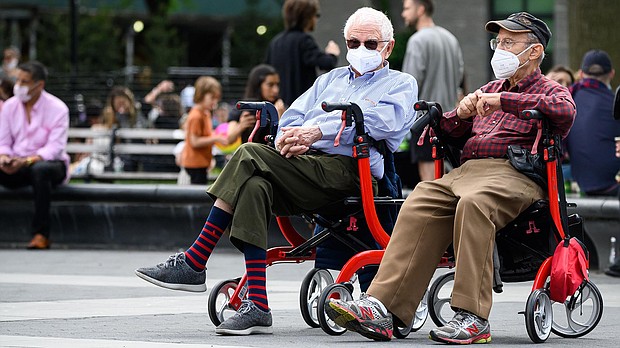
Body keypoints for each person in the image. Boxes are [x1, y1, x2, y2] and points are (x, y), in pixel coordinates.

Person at [135, 7, 417, 336]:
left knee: (248, 153)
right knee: (254, 186)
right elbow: (293, 117)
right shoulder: (330, 79)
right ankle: (258, 305)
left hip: (353, 169)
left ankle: (196, 259)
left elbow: (384, 123)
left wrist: (316, 132)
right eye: (353, 43)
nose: (360, 50)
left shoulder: (401, 84)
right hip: (308, 165)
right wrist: (292, 138)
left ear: (388, 47)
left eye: (370, 44)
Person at [326, 12, 575, 344]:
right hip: (469, 170)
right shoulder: (486, 89)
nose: (499, 49)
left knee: (475, 203)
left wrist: (504, 101)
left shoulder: (549, 89)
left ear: (534, 51)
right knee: (421, 198)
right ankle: (383, 307)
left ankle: (473, 317)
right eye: (497, 42)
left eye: (508, 42)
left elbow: (564, 112)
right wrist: (458, 114)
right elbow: (444, 130)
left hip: (516, 173)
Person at [0, 61, 70, 249]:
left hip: (50, 165)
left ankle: (41, 235)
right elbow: (4, 142)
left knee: (40, 171)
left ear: (39, 85)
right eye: (18, 80)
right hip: (17, 163)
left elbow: (54, 148)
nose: (18, 86)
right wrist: (4, 158)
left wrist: (25, 161)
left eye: (24, 82)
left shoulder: (58, 108)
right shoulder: (9, 107)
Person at [400, 0, 464, 183]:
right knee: (450, 181)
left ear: (420, 10)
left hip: (425, 123)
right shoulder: (450, 38)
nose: (403, 14)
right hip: (452, 120)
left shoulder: (417, 40)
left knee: (429, 185)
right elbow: (459, 74)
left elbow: (409, 83)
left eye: (406, 9)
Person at [265, 0, 340, 106]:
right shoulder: (304, 41)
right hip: (301, 106)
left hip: (279, 106)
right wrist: (332, 54)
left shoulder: (275, 42)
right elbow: (326, 63)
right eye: (316, 15)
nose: (316, 19)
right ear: (307, 16)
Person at [566, 50, 619, 197]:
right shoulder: (614, 103)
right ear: (612, 74)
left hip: (582, 182)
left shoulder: (568, 102)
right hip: (612, 183)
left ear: (581, 74)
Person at [179, 76, 228, 185]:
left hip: (202, 162)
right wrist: (216, 138)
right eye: (212, 98)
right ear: (201, 95)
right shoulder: (196, 116)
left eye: (217, 98)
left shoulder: (205, 113)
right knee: (196, 195)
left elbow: (206, 135)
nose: (215, 102)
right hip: (194, 164)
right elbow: (194, 142)